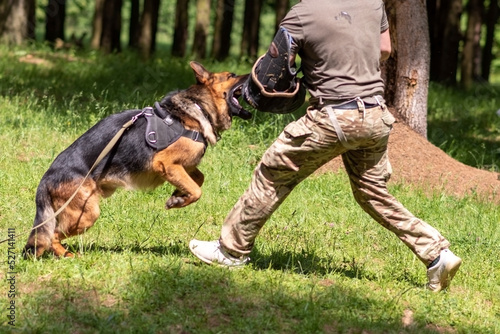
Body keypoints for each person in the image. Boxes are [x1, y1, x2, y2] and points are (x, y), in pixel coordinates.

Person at [189, 0, 462, 292]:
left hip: (332, 117)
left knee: (272, 172)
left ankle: (230, 251)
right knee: (373, 193)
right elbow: (384, 50)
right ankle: (436, 254)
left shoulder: (302, 13)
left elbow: (275, 69)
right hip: (375, 115)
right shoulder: (372, 3)